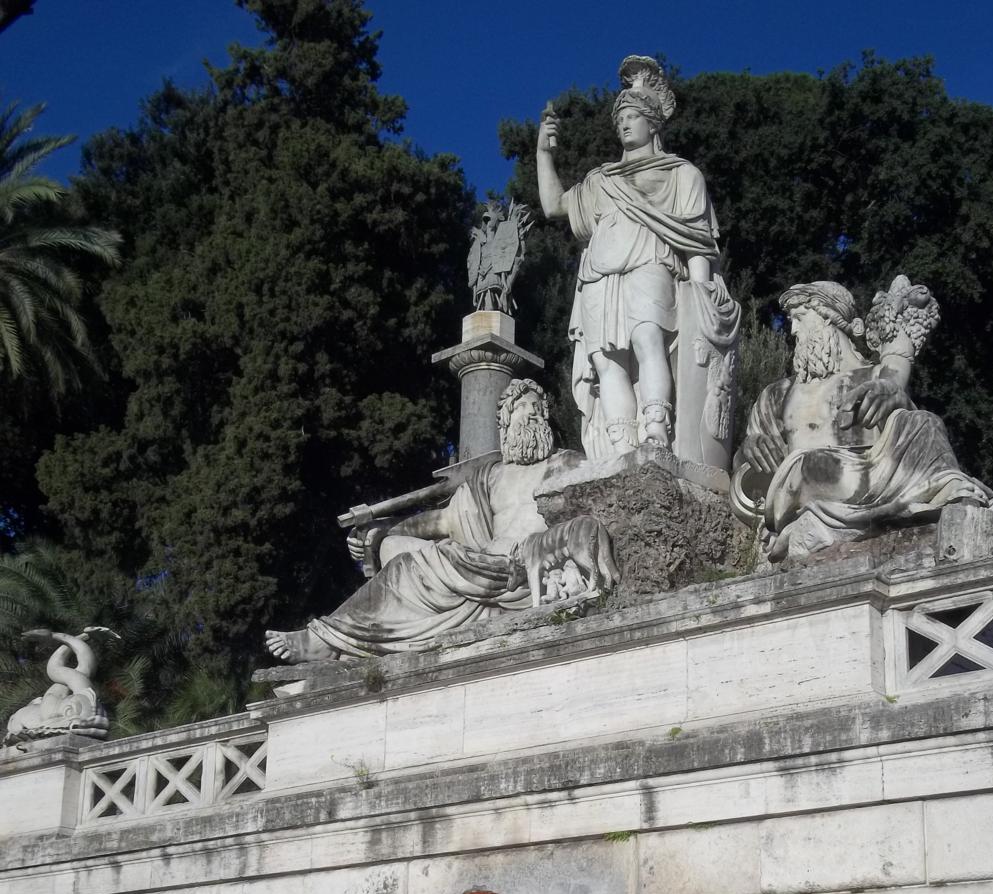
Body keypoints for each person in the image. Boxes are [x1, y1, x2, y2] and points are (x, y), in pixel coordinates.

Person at [265, 380, 617, 663]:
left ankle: (327, 639)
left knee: (407, 568)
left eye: (539, 405)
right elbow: (440, 521)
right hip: (480, 564)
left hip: (521, 568)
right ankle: (358, 639)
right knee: (393, 547)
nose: (534, 411)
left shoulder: (566, 463)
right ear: (505, 423)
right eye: (523, 405)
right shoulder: (491, 477)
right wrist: (380, 531)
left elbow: (599, 497)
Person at [730, 280, 993, 561]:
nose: (793, 330)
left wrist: (896, 396)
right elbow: (745, 469)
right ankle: (924, 499)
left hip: (877, 473)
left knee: (924, 421)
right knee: (809, 464)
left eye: (799, 318)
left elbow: (901, 431)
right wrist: (749, 448)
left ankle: (953, 491)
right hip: (812, 480)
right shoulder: (777, 394)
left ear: (829, 319)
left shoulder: (874, 377)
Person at [537, 55, 739, 464]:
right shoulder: (601, 180)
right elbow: (553, 205)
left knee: (649, 342)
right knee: (607, 361)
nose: (624, 125)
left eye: (632, 117)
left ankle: (656, 433)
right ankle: (620, 450)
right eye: (620, 120)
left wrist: (701, 296)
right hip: (599, 275)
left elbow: (696, 240)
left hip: (651, 262)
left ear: (653, 124)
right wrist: (543, 153)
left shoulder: (682, 174)